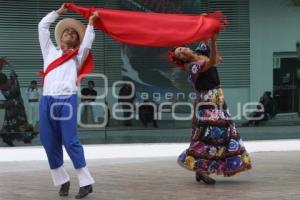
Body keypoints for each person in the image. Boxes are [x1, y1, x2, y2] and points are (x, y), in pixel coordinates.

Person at [168, 35, 252, 184]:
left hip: (217, 99)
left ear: (186, 47)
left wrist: (208, 31)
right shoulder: (193, 66)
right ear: (183, 60)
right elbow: (212, 61)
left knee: (224, 134)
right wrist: (213, 46)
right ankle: (199, 168)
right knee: (210, 136)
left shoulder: (200, 53)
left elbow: (210, 45)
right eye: (179, 54)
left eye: (180, 49)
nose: (181, 52)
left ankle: (202, 169)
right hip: (207, 103)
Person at [38, 4, 98, 199]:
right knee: (48, 141)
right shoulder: (49, 51)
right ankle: (62, 179)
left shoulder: (78, 56)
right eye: (67, 32)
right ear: (61, 37)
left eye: (74, 33)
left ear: (76, 41)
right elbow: (42, 27)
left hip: (67, 100)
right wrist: (57, 13)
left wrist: (90, 23)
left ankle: (86, 182)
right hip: (46, 100)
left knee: (69, 141)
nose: (70, 33)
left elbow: (88, 42)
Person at [0, 58, 36, 147]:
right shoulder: (12, 84)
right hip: (16, 107)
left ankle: (12, 138)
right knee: (20, 122)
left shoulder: (5, 87)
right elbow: (13, 73)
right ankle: (26, 137)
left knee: (12, 124)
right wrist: (7, 64)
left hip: (13, 107)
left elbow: (12, 74)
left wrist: (3, 66)